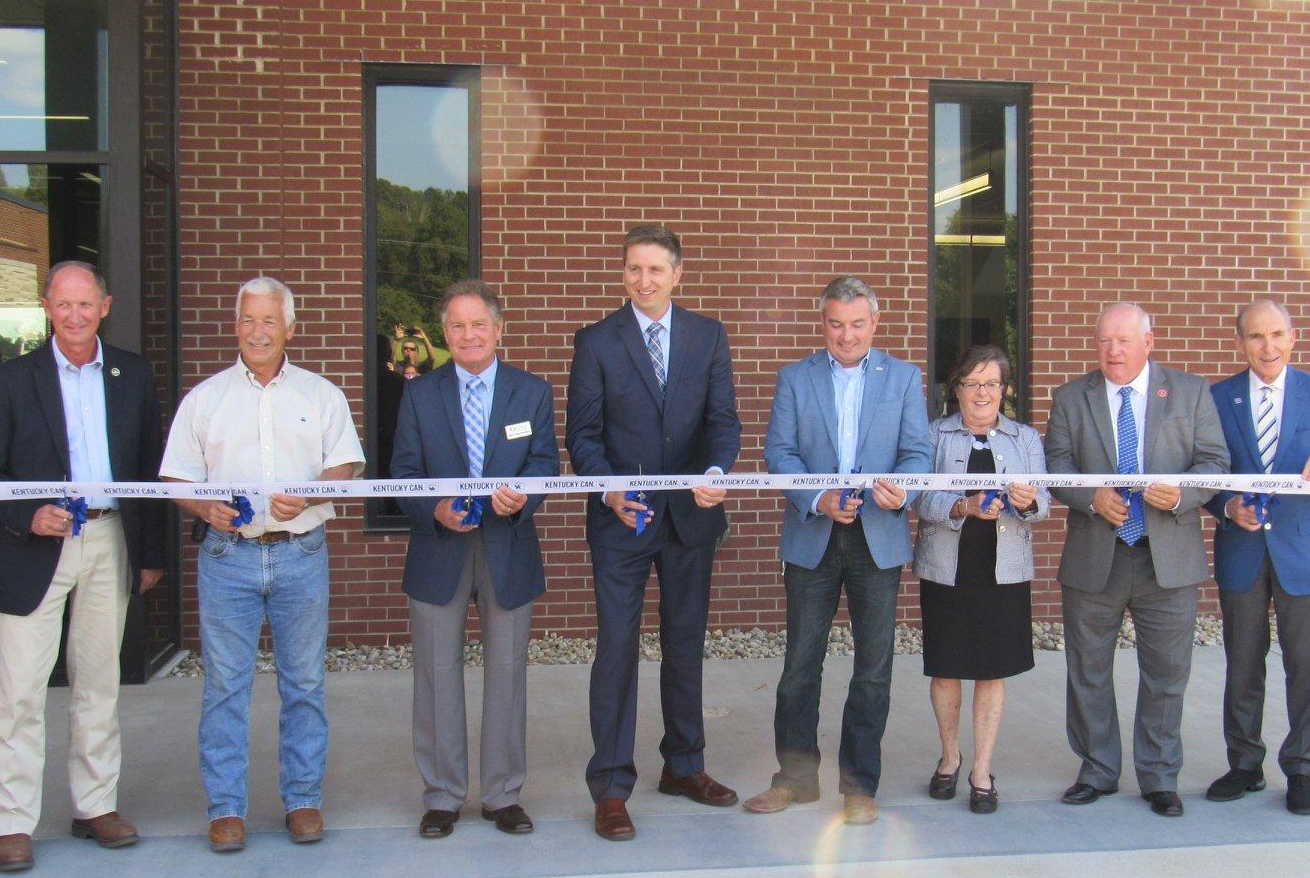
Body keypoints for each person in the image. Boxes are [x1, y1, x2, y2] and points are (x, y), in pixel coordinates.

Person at [0, 260, 166, 873]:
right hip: (32, 548)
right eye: (63, 304)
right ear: (46, 308)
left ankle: (96, 806)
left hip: (109, 540)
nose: (75, 315)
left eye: (86, 304)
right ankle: (12, 823)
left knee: (99, 683)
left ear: (104, 306)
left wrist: (153, 554)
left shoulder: (131, 373)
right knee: (21, 691)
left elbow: (150, 467)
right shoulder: (11, 380)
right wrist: (30, 513)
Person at [161, 277, 364, 853]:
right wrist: (203, 505)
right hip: (228, 557)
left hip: (302, 553)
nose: (257, 332)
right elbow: (175, 477)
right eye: (248, 320)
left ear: (289, 329)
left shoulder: (321, 395)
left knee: (304, 685)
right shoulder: (205, 399)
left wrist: (310, 493)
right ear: (236, 326)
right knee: (226, 688)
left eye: (269, 321)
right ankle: (226, 810)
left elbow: (344, 468)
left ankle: (303, 800)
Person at [566, 224, 742, 841]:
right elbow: (582, 436)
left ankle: (684, 765)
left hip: (690, 518)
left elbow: (723, 422)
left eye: (657, 269)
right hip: (622, 518)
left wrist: (719, 471)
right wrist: (608, 488)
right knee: (616, 650)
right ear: (623, 275)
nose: (645, 280)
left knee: (685, 643)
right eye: (635, 269)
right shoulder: (596, 342)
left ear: (677, 274)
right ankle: (612, 784)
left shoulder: (707, 335)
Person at [743, 277, 929, 825]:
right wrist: (817, 496)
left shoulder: (903, 378)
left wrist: (904, 488)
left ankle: (859, 785)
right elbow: (779, 453)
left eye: (856, 323)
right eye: (835, 323)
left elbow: (917, 453)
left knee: (873, 668)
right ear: (821, 323)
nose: (846, 335)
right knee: (800, 664)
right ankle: (794, 779)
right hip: (813, 533)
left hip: (879, 533)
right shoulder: (795, 378)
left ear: (875, 322)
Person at [1044, 302, 1229, 817]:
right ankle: (1097, 770)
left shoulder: (1191, 392)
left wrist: (1183, 494)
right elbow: (1056, 465)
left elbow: (1214, 462)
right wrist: (1090, 496)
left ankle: (1159, 775)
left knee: (1167, 673)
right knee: (1088, 669)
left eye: (1124, 340)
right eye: (1104, 341)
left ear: (1150, 341)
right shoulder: (1070, 397)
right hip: (1095, 555)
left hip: (1167, 555)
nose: (1113, 351)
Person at [391, 281, 559, 837]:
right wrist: (432, 508)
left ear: (498, 329)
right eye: (458, 326)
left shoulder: (530, 391)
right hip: (439, 548)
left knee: (507, 672)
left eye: (478, 324)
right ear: (445, 334)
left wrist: (523, 498)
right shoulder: (419, 393)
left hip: (507, 546)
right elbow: (403, 475)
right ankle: (442, 794)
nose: (469, 335)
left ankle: (502, 794)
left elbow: (542, 465)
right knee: (436, 674)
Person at [1205, 298, 1310, 814]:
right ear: (1240, 342)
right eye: (1255, 336)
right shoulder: (1217, 397)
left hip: (1305, 553)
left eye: (1276, 335)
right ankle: (1244, 763)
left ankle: (1301, 769)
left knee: (1307, 666)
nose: (1266, 346)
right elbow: (1201, 474)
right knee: (1243, 664)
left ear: (1293, 337)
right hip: (1242, 551)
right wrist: (1227, 506)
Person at [911, 344, 1048, 814]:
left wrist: (1028, 500)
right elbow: (917, 497)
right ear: (958, 390)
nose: (982, 392)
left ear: (1005, 390)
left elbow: (1044, 503)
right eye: (972, 383)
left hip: (1004, 569)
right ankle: (950, 758)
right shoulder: (933, 435)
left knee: (993, 668)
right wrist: (961, 505)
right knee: (946, 665)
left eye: (991, 383)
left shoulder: (1025, 438)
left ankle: (981, 771)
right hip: (948, 567)